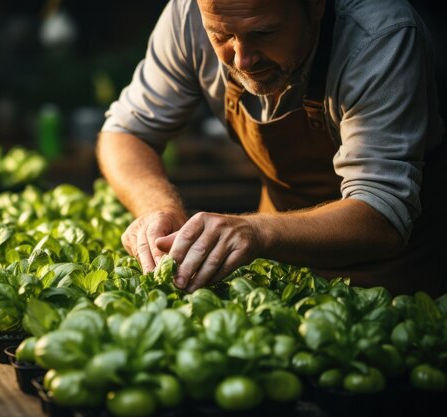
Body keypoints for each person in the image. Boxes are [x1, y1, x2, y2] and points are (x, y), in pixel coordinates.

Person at [96, 0, 446, 296]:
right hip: (275, 272)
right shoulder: (189, 13)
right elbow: (127, 132)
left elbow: (382, 213)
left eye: (264, 33)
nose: (243, 59)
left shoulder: (379, 35)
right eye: (221, 36)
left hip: (394, 281)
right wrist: (159, 208)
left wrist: (257, 231)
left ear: (315, 7)